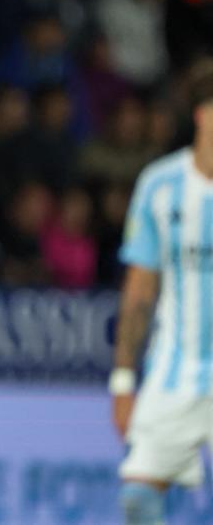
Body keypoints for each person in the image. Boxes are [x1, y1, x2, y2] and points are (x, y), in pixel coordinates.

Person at [111, 64, 213, 524]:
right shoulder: (160, 184)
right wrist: (122, 380)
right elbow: (138, 293)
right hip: (175, 372)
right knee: (138, 502)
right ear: (201, 115)